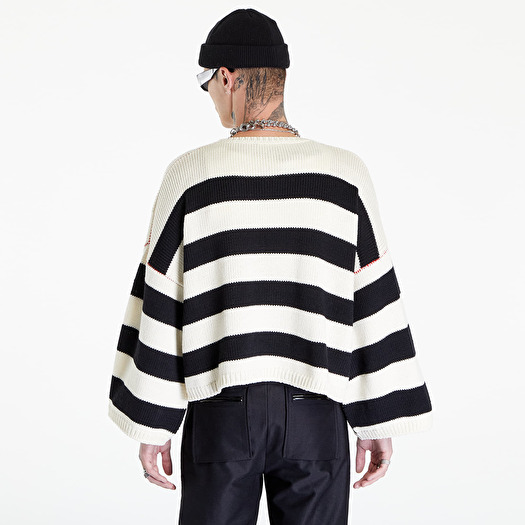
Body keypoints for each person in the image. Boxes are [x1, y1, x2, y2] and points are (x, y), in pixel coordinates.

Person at [107, 8, 433, 525]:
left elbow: (161, 300)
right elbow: (373, 298)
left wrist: (153, 423)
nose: (210, 96)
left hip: (221, 413)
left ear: (227, 77)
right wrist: (377, 419)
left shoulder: (191, 176)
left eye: (207, 82)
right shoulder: (344, 176)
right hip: (318, 413)